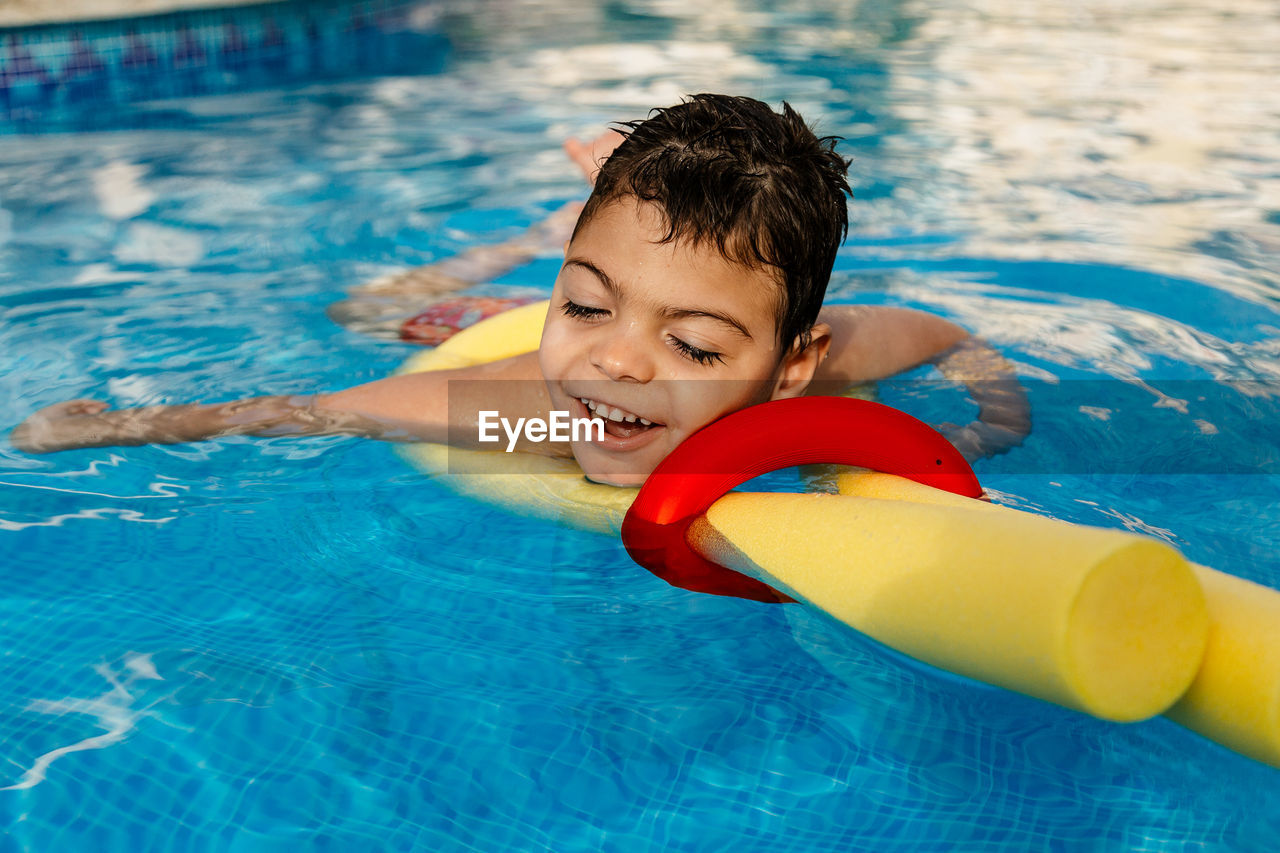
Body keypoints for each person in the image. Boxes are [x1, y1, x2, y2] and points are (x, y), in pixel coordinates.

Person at [10, 94, 1029, 486]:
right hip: (477, 331)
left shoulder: (839, 358)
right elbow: (309, 410)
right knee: (363, 316)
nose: (618, 361)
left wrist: (990, 422)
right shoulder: (524, 420)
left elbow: (950, 335)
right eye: (584, 306)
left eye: (698, 345)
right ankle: (549, 233)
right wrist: (121, 426)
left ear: (789, 362)